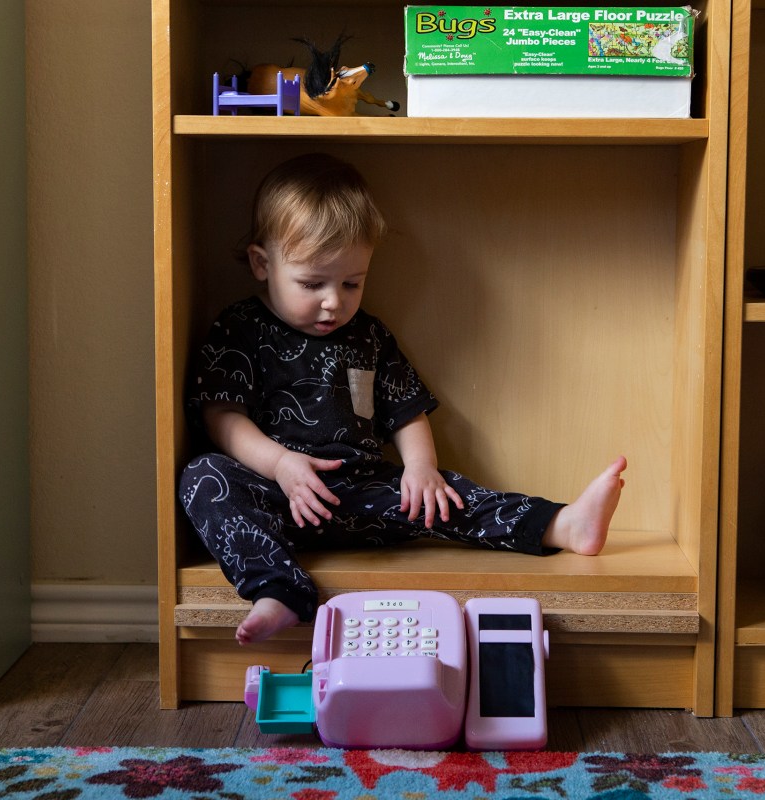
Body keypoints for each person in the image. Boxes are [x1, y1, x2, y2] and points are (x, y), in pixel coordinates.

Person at [180, 152, 627, 646]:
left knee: (449, 494)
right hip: (276, 494)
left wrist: (421, 468)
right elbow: (222, 417)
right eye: (312, 284)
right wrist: (282, 465)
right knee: (204, 476)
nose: (334, 301)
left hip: (363, 492)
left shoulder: (367, 335)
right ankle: (278, 590)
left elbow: (405, 409)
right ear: (262, 264)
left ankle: (563, 525)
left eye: (352, 282)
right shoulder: (238, 328)